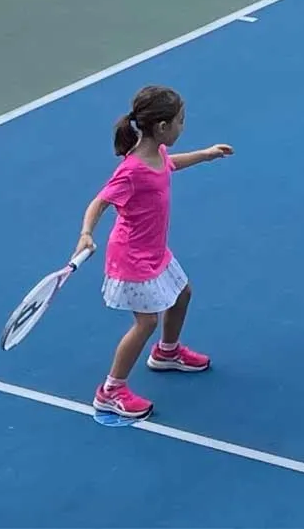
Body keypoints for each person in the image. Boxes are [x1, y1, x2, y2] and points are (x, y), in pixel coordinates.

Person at [72, 84, 234, 419]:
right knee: (145, 322)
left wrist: (205, 154)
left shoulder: (156, 153)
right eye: (180, 121)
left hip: (154, 250)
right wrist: (86, 234)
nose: (182, 127)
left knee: (182, 293)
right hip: (131, 258)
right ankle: (110, 390)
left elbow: (169, 164)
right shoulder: (131, 171)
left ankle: (167, 353)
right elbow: (100, 202)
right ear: (162, 127)